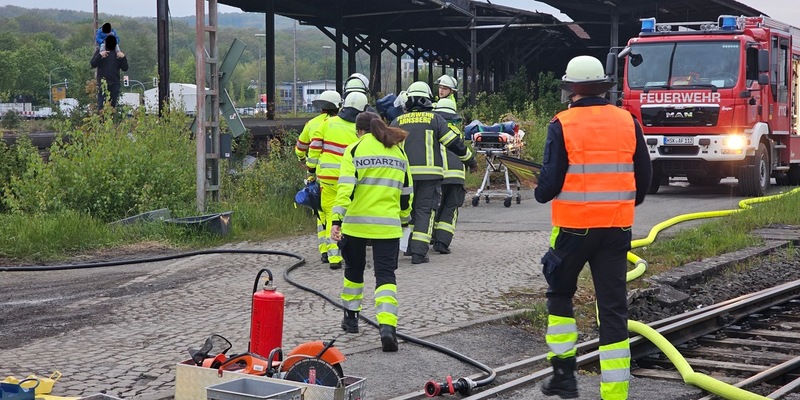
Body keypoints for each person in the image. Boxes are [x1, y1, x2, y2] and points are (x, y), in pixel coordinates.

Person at [534, 55, 651, 400]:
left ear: (570, 88)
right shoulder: (627, 120)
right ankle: (614, 393)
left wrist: (539, 188)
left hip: (574, 229)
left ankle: (564, 377)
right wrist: (623, 203)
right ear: (603, 87)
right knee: (613, 308)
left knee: (559, 294)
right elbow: (644, 177)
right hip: (616, 229)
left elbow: (548, 186)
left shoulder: (562, 123)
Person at [330, 111, 413, 352]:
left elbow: (345, 189)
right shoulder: (398, 151)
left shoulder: (354, 150)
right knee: (386, 276)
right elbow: (406, 192)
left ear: (359, 131)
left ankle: (351, 319)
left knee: (354, 271)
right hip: (387, 226)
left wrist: (336, 220)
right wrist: (404, 219)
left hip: (356, 224)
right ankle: (387, 327)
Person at [391, 81, 477, 264]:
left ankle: (408, 247)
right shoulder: (434, 119)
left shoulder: (397, 121)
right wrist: (470, 160)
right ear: (428, 100)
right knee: (425, 210)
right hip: (429, 176)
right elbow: (454, 144)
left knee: (407, 211)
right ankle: (419, 253)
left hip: (404, 176)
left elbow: (388, 148)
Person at [306, 91, 369, 270]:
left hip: (327, 178)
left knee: (330, 215)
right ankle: (350, 253)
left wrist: (311, 168)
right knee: (348, 215)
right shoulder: (359, 130)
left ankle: (333, 258)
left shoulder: (327, 123)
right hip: (349, 179)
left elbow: (314, 148)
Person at [296, 90, 342, 263]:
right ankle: (337, 251)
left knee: (321, 212)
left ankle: (325, 250)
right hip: (341, 175)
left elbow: (300, 148)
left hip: (320, 175)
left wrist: (305, 162)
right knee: (339, 213)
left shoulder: (312, 124)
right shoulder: (342, 123)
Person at [430, 98, 466, 254]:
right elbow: (463, 152)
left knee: (433, 207)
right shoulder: (457, 132)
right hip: (456, 176)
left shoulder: (434, 129)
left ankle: (429, 237)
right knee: (450, 208)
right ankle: (442, 243)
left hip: (438, 174)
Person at [90, 35, 128, 111]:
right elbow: (93, 64)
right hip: (102, 83)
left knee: (112, 107)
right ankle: (101, 121)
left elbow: (125, 68)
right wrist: (100, 55)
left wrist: (123, 57)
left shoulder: (118, 53)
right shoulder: (100, 52)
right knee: (101, 106)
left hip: (114, 83)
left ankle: (110, 121)